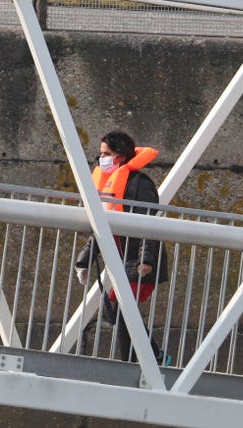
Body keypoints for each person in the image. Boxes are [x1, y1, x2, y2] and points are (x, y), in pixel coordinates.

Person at [74, 130, 170, 365]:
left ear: (120, 157)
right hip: (123, 260)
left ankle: (144, 358)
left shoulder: (140, 184)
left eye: (106, 154)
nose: (101, 159)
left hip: (139, 261)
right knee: (121, 311)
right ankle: (146, 357)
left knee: (123, 310)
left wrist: (145, 260)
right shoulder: (110, 184)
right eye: (100, 154)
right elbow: (102, 227)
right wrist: (84, 260)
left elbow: (148, 224)